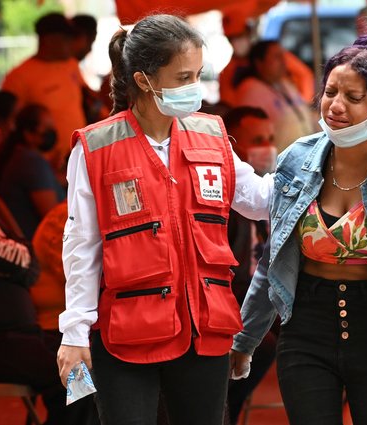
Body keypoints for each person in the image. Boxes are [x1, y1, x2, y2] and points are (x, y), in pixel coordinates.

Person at [56, 14, 273, 425]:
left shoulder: (212, 136)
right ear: (144, 80)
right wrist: (74, 332)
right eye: (183, 76)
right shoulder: (96, 147)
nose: (194, 87)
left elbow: (260, 198)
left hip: (202, 329)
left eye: (197, 74)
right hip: (124, 334)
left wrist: (324, 163)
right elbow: (82, 244)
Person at [230, 29, 367, 425]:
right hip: (306, 326)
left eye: (353, 97)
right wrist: (246, 338)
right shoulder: (295, 158)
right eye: (330, 92)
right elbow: (274, 259)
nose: (335, 106)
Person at [0, 126, 95, 425]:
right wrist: (13, 264)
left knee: (88, 362)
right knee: (76, 378)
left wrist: (10, 264)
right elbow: (18, 257)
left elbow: (26, 257)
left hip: (17, 336)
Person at [222, 106, 278, 425]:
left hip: (270, 293)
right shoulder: (229, 200)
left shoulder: (271, 188)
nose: (267, 147)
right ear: (234, 146)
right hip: (237, 300)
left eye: (270, 138)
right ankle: (228, 408)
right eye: (258, 139)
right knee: (265, 344)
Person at [1, 12, 86, 174]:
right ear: (49, 40)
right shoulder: (19, 77)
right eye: (67, 39)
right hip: (46, 168)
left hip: (79, 157)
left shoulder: (71, 64)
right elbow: (8, 125)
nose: (72, 44)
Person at [0, 104, 65, 239]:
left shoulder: (21, 156)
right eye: (47, 130)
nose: (52, 133)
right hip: (42, 246)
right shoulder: (31, 162)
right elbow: (55, 219)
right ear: (28, 134)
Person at [233, 40, 316, 153]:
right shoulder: (250, 89)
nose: (283, 62)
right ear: (259, 63)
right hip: (277, 163)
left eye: (282, 56)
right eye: (277, 57)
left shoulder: (284, 84)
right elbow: (248, 132)